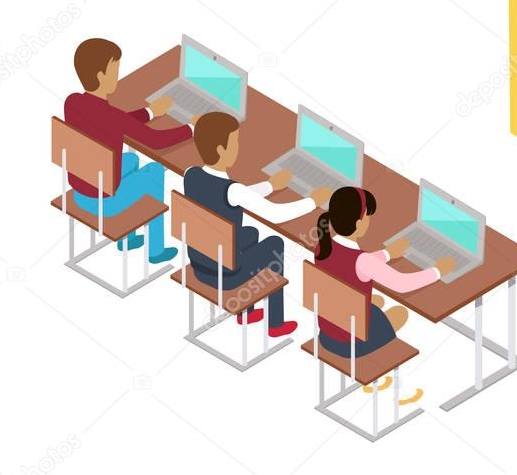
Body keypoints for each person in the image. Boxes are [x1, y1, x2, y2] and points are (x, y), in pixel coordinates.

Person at [184, 112, 331, 337]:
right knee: (275, 243)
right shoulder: (233, 190)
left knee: (250, 232)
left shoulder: (190, 175)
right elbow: (275, 214)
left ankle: (247, 313)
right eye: (235, 142)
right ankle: (275, 323)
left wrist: (270, 186)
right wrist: (314, 201)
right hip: (226, 275)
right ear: (222, 150)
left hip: (200, 261)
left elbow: (237, 196)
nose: (238, 147)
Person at [64, 38, 191, 264]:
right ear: (102, 76)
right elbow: (156, 141)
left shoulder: (72, 102)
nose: (117, 75)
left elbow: (115, 122)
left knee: (130, 158)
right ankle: (155, 250)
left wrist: (150, 112)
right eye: (115, 69)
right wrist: (190, 129)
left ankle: (128, 238)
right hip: (104, 202)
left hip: (80, 189)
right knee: (155, 171)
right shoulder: (111, 117)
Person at [313, 186, 454, 358]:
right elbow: (402, 284)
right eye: (368, 217)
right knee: (400, 313)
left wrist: (388, 254)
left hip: (327, 333)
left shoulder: (323, 246)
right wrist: (438, 271)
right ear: (359, 224)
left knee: (376, 301)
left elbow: (356, 264)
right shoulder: (363, 261)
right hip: (351, 345)